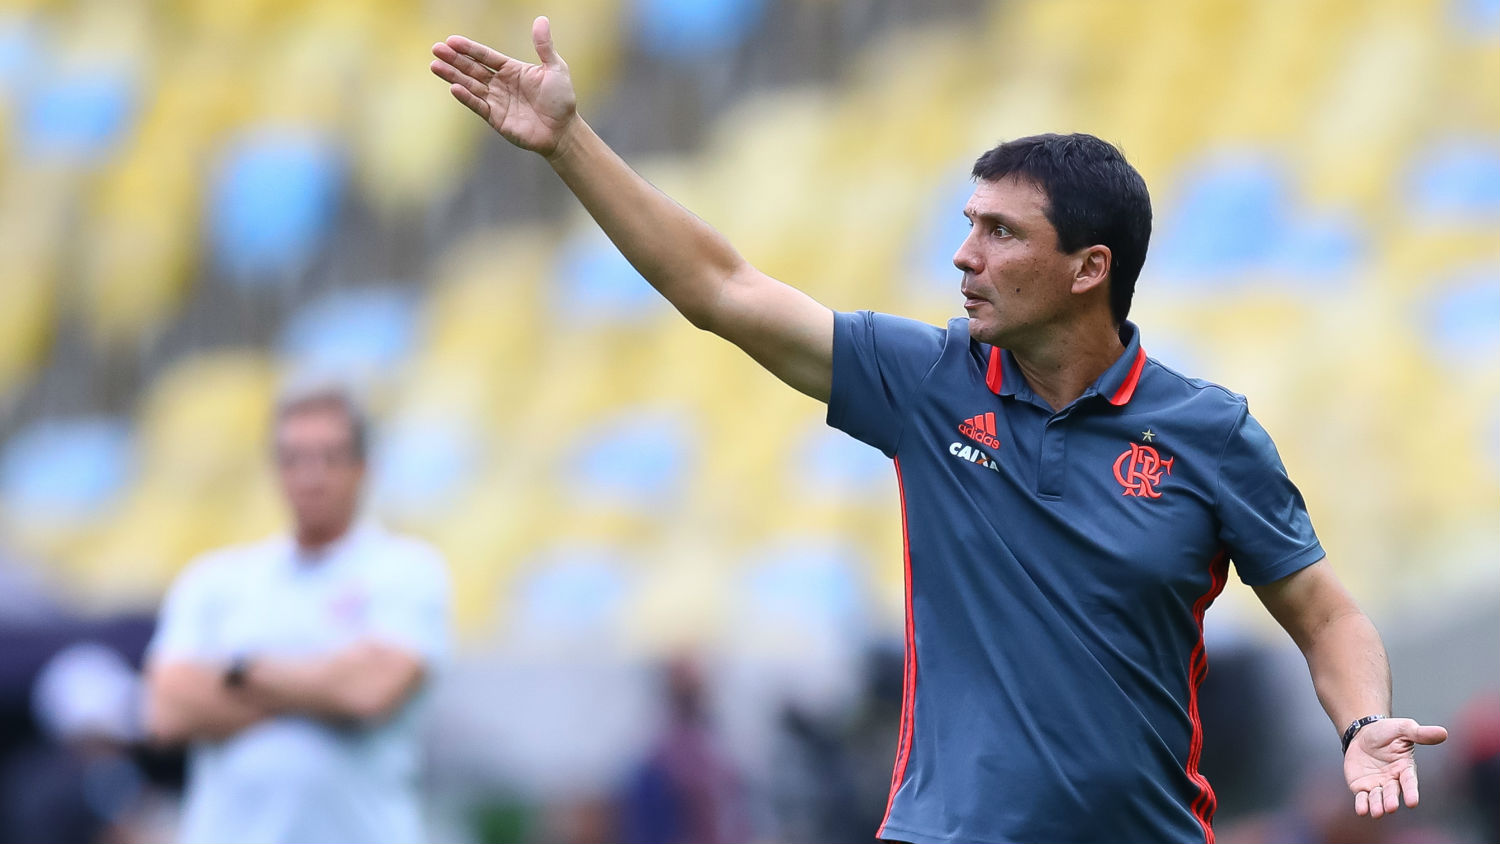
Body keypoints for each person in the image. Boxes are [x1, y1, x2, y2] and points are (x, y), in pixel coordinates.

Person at [428, 19, 1447, 844]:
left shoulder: (1208, 432)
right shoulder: (925, 380)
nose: (963, 255)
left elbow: (1326, 616)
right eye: (967, 223)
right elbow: (720, 287)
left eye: (1000, 233)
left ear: (1088, 268)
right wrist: (570, 142)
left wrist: (1364, 725)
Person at [142, 383, 451, 844]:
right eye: (293, 458)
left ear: (363, 467)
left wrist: (238, 673)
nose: (310, 476)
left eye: (329, 456)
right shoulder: (214, 579)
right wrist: (323, 688)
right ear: (274, 469)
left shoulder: (406, 569)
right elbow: (167, 710)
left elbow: (370, 692)